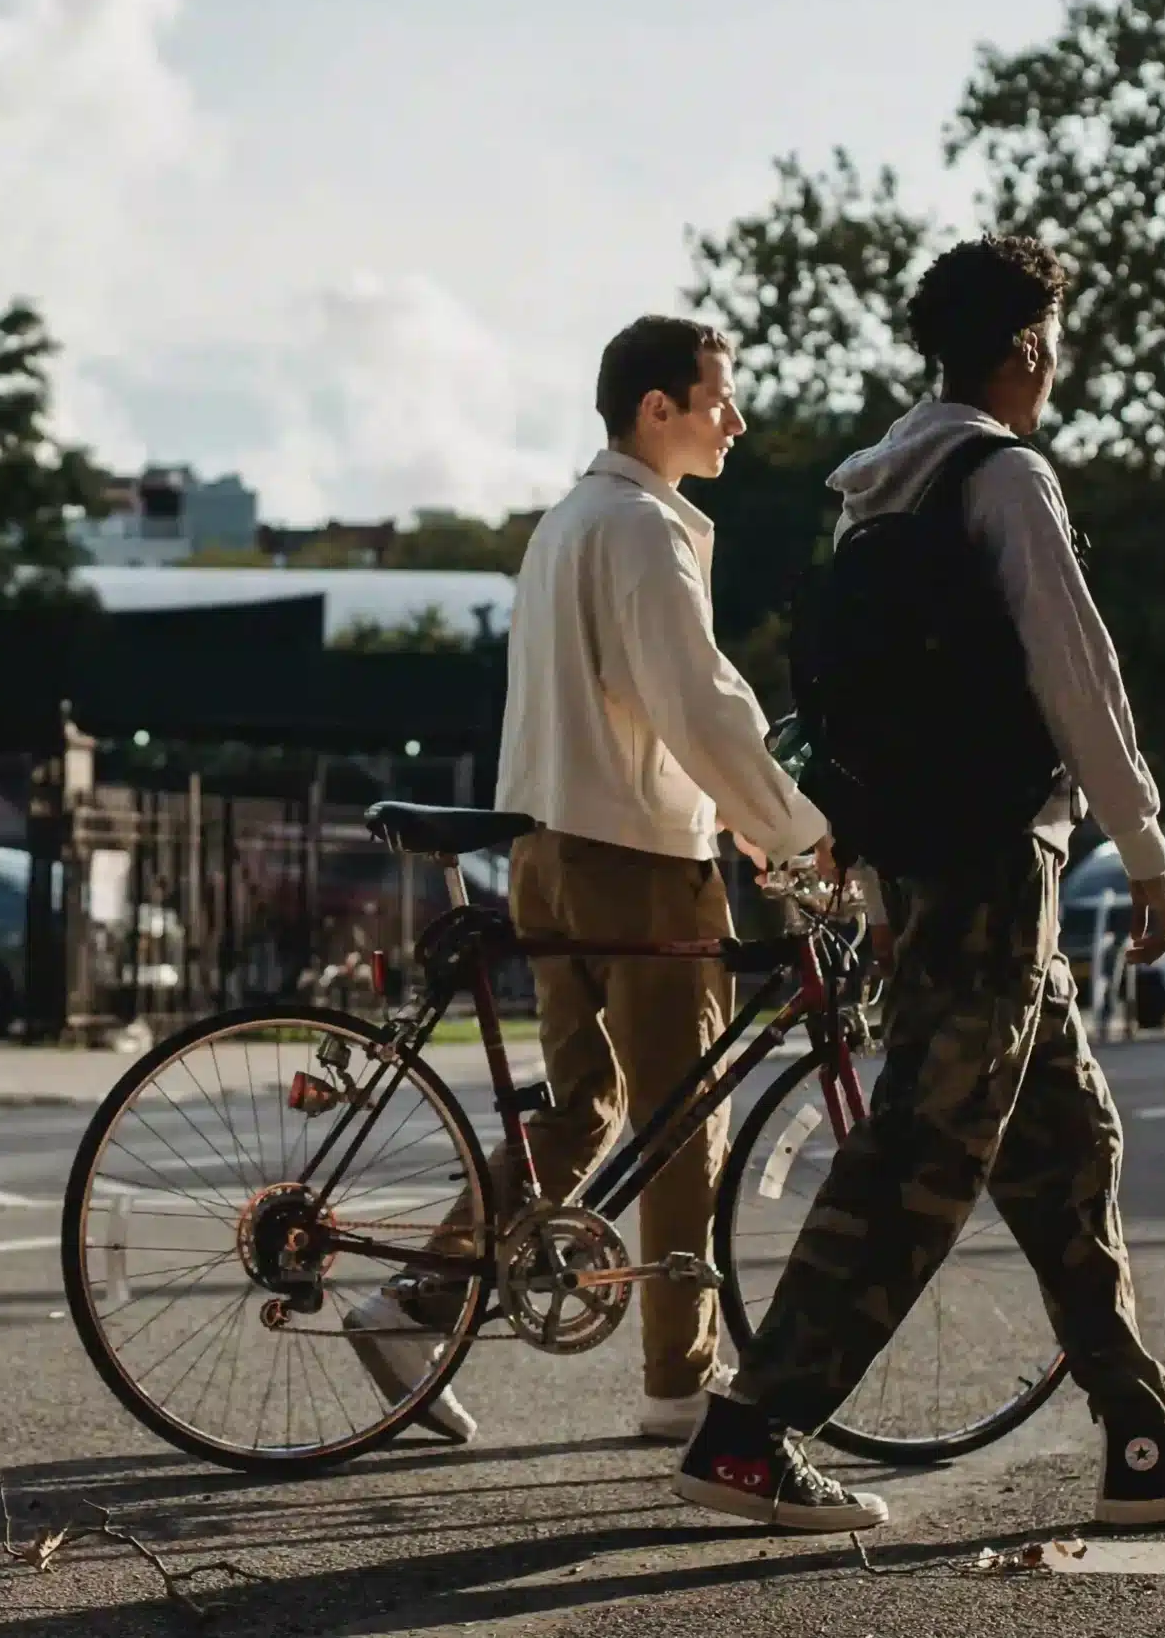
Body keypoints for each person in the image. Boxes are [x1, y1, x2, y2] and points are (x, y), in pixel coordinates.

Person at [673, 235, 1165, 1532]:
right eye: (1051, 341)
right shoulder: (1004, 477)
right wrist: (1146, 842)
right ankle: (750, 1425)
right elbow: (1080, 673)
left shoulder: (877, 491)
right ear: (1024, 348)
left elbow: (854, 712)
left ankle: (1139, 1435)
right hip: (1000, 864)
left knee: (1071, 1147)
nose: (1056, 364)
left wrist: (884, 876)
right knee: (920, 1156)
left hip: (931, 861)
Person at [344, 314, 832, 1444]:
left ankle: (412, 1297)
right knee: (679, 1125)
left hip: (545, 851)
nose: (736, 419)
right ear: (654, 408)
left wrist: (745, 819)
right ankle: (677, 1385)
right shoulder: (640, 529)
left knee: (580, 1110)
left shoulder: (566, 522)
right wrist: (791, 829)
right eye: (718, 398)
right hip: (635, 859)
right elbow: (695, 702)